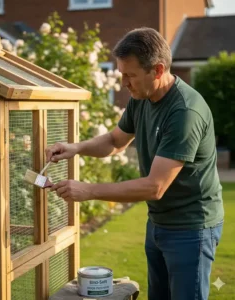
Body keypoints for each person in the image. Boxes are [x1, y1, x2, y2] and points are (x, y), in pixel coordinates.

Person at [45, 27, 224, 300]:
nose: (124, 84)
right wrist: (75, 148)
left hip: (191, 229)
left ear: (158, 70)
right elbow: (115, 141)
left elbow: (155, 187)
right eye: (121, 74)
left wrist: (89, 190)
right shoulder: (142, 99)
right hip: (158, 224)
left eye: (130, 76)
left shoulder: (184, 112)